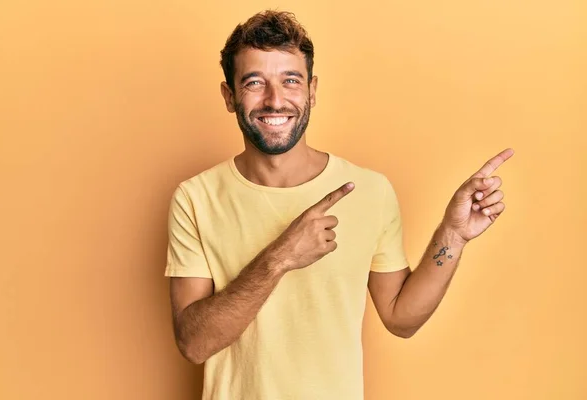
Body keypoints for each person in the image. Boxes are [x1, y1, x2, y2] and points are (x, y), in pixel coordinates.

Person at [164, 10, 514, 400]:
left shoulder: (369, 190)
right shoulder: (195, 197)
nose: (275, 100)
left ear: (312, 91)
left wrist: (454, 234)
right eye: (254, 82)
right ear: (230, 96)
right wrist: (281, 256)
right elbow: (194, 344)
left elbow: (401, 318)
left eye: (290, 81)